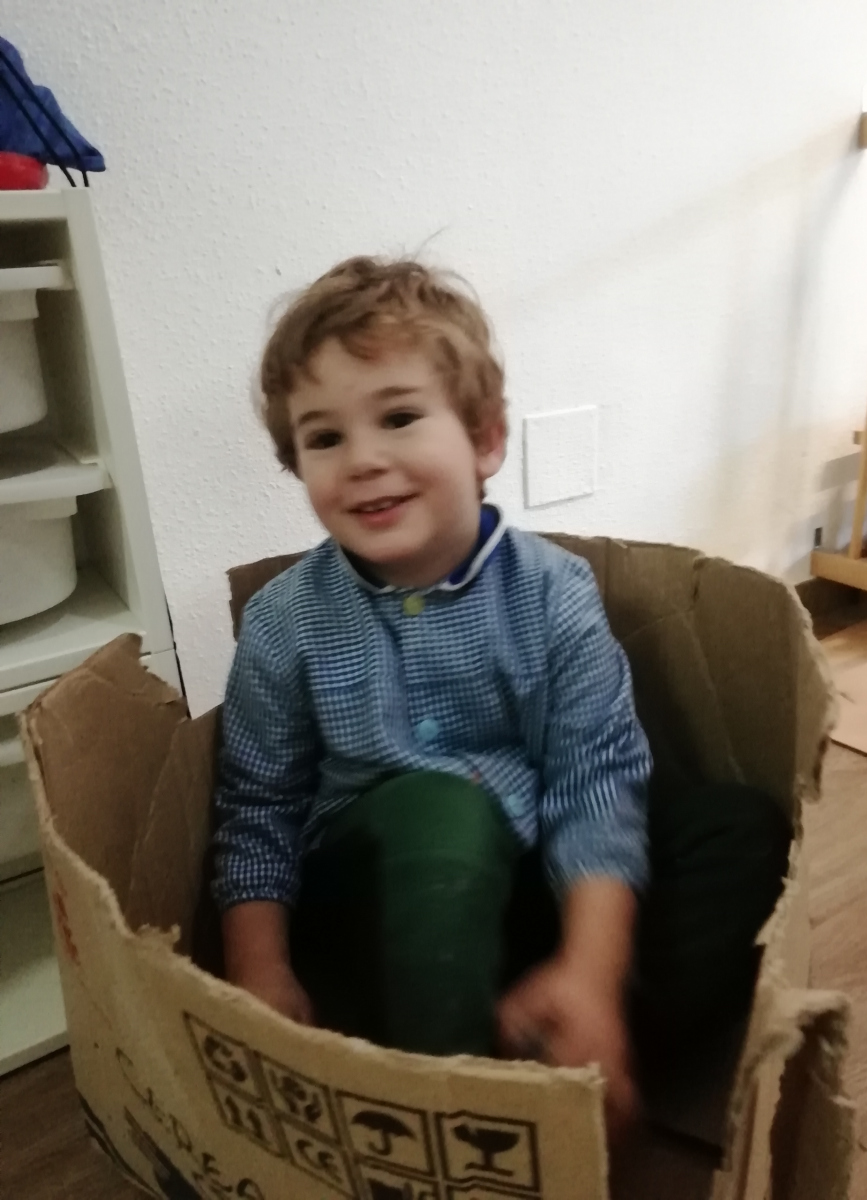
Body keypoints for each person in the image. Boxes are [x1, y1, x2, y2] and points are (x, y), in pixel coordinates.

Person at [212, 256, 790, 1139]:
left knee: (738, 828)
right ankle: (461, 1098)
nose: (362, 459)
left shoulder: (554, 593)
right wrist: (260, 972)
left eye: (399, 418)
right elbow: (258, 808)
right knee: (442, 811)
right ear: (298, 465)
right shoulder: (286, 620)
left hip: (526, 887)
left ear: (484, 440)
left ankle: (571, 1029)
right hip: (375, 904)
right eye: (324, 438)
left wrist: (591, 971)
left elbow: (596, 786)